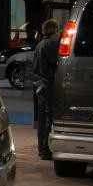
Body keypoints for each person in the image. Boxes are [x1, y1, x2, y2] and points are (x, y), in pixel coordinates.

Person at [31, 19, 61, 160]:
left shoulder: (40, 44)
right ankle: (46, 149)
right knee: (50, 117)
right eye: (58, 30)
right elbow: (57, 64)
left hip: (38, 85)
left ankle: (40, 148)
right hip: (47, 85)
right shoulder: (51, 45)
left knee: (42, 118)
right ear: (54, 30)